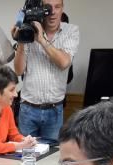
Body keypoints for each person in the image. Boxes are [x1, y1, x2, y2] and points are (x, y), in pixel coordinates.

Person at [13, 0, 79, 143]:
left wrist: (41, 40)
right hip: (28, 109)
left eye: (57, 7)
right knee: (25, 156)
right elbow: (18, 71)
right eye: (48, 8)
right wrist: (21, 41)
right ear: (41, 9)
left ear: (62, 9)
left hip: (55, 110)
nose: (53, 12)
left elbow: (64, 63)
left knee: (51, 159)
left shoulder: (71, 31)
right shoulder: (29, 29)